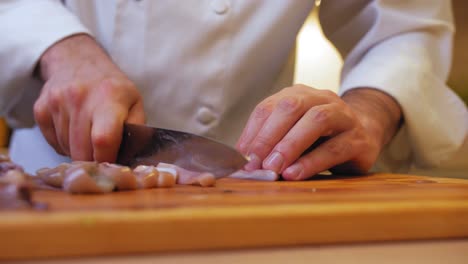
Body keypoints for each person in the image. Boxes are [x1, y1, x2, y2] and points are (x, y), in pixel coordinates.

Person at [0, 0, 466, 179]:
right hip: (53, 188)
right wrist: (58, 48)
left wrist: (371, 110)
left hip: (257, 191)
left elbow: (404, 26)